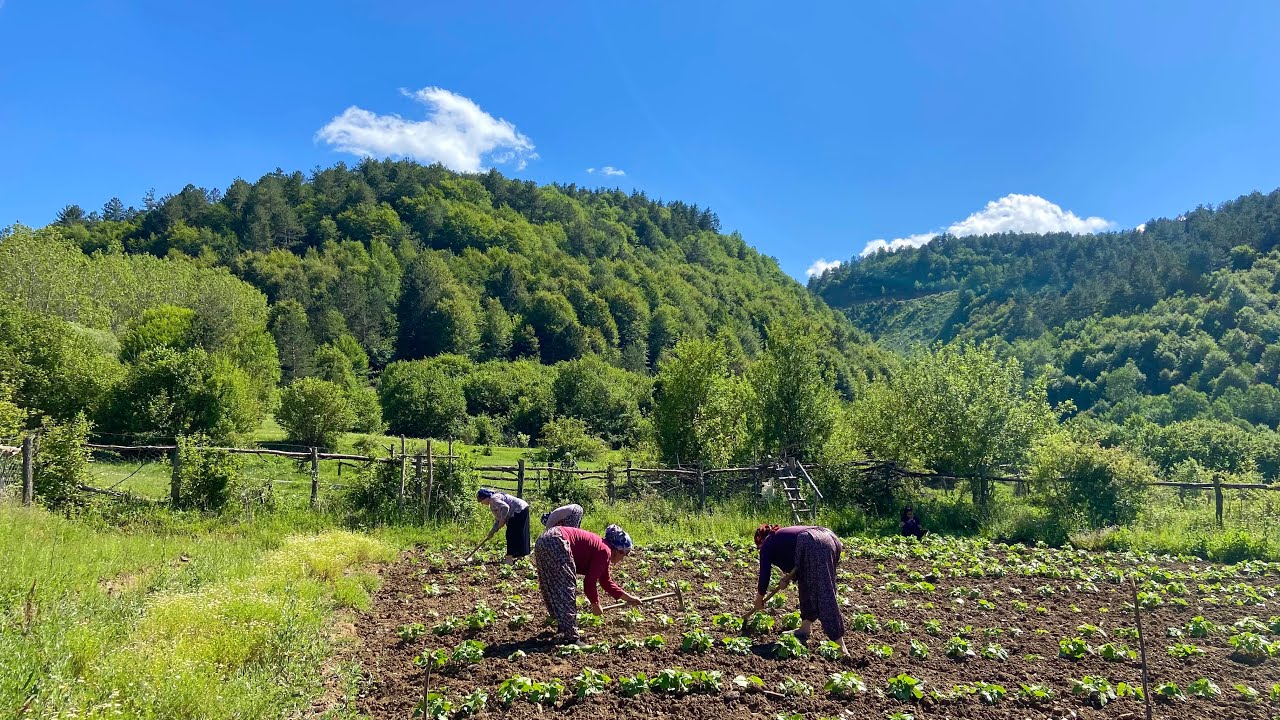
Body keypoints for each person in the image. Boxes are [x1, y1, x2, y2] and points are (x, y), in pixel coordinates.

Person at [534, 524, 642, 643]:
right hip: (558, 541)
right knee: (566, 589)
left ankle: (563, 626)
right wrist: (595, 604)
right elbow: (589, 583)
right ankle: (571, 638)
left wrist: (629, 598)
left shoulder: (601, 548)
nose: (623, 558)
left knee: (551, 585)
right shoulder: (605, 551)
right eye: (625, 554)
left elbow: (606, 582)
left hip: (544, 540)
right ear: (617, 550)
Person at [752, 524, 847, 653]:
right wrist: (787, 579)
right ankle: (805, 627)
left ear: (760, 541)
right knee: (806, 584)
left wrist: (760, 597)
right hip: (829, 538)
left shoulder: (767, 543)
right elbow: (798, 568)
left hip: (812, 542)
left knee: (824, 591)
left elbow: (764, 573)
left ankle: (840, 645)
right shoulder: (781, 539)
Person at [475, 488, 531, 563]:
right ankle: (520, 557)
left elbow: (505, 507)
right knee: (519, 534)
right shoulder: (494, 501)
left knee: (511, 534)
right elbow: (498, 520)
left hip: (518, 510)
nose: (481, 503)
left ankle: (509, 559)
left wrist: (502, 519)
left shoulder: (493, 499)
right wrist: (492, 532)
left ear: (486, 497)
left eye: (481, 500)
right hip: (523, 508)